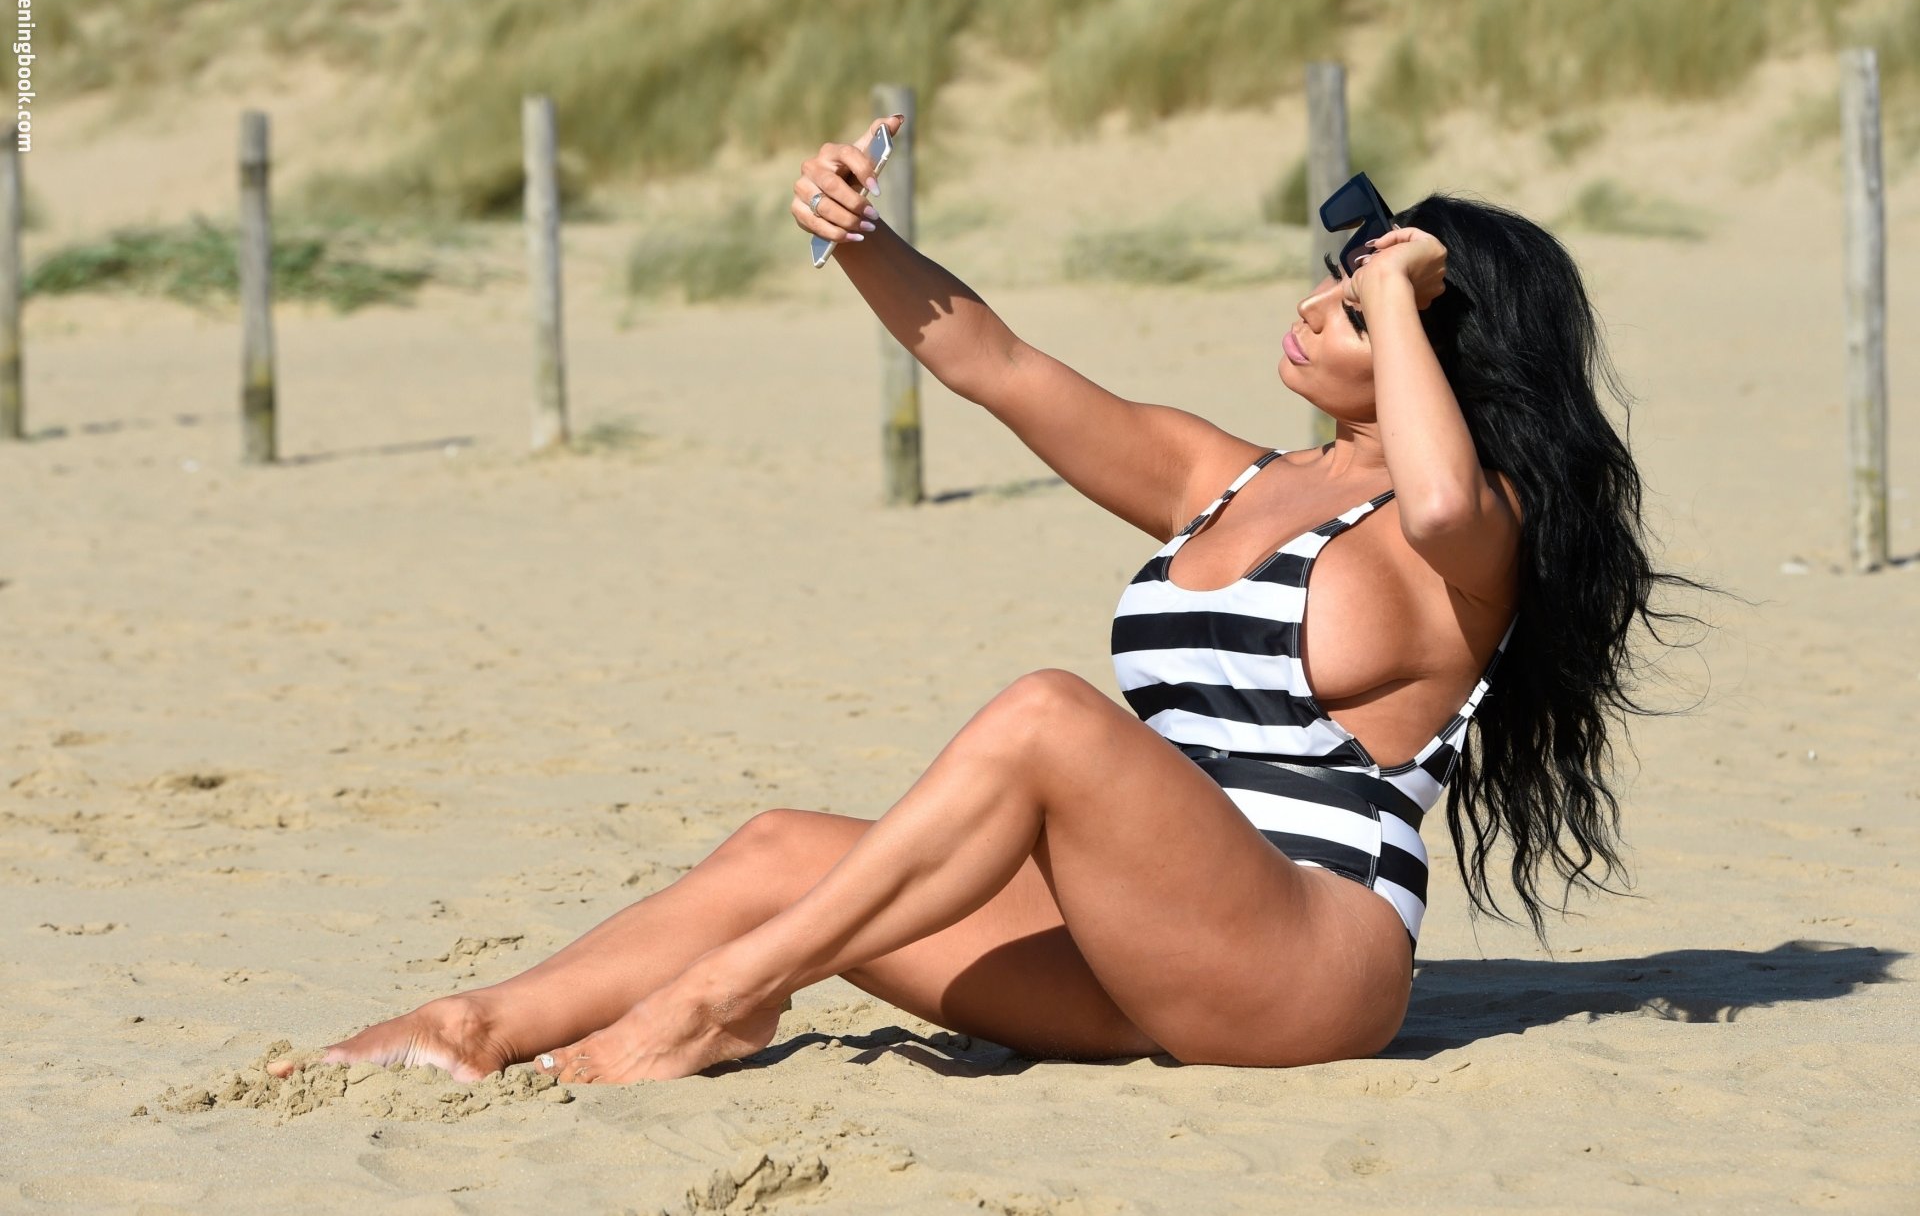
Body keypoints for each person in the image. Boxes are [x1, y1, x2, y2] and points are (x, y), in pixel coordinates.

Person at [283, 114, 1697, 1084]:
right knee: (782, 847)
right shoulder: (1225, 476)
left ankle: (721, 998)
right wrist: (857, 233)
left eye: (1353, 303)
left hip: (1305, 960)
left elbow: (1437, 497)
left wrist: (1402, 294)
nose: (1313, 306)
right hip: (1140, 941)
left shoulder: (1471, 536)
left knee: (1047, 717)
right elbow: (998, 367)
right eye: (1335, 287)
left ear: (1434, 343)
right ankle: (473, 1026)